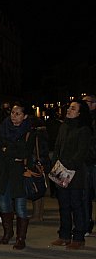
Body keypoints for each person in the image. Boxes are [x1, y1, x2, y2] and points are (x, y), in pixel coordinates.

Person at [0, 103, 35, 250]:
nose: (14, 116)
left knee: (20, 206)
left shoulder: (29, 131)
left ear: (25, 116)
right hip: (4, 171)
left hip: (20, 172)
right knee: (4, 204)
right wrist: (11, 152)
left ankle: (21, 237)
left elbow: (25, 152)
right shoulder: (3, 128)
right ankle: (8, 232)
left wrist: (8, 150)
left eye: (17, 113)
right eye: (12, 113)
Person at [50, 100, 92, 249]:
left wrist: (67, 166)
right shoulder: (64, 126)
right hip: (61, 171)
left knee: (76, 205)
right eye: (69, 107)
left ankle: (79, 237)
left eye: (73, 108)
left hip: (75, 173)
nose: (69, 110)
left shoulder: (84, 130)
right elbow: (57, 147)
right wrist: (55, 164)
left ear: (80, 113)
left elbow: (81, 153)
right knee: (63, 205)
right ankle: (64, 235)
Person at [81, 94, 96, 236]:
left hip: (92, 162)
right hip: (86, 163)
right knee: (85, 196)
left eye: (86, 102)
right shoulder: (84, 120)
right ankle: (86, 224)